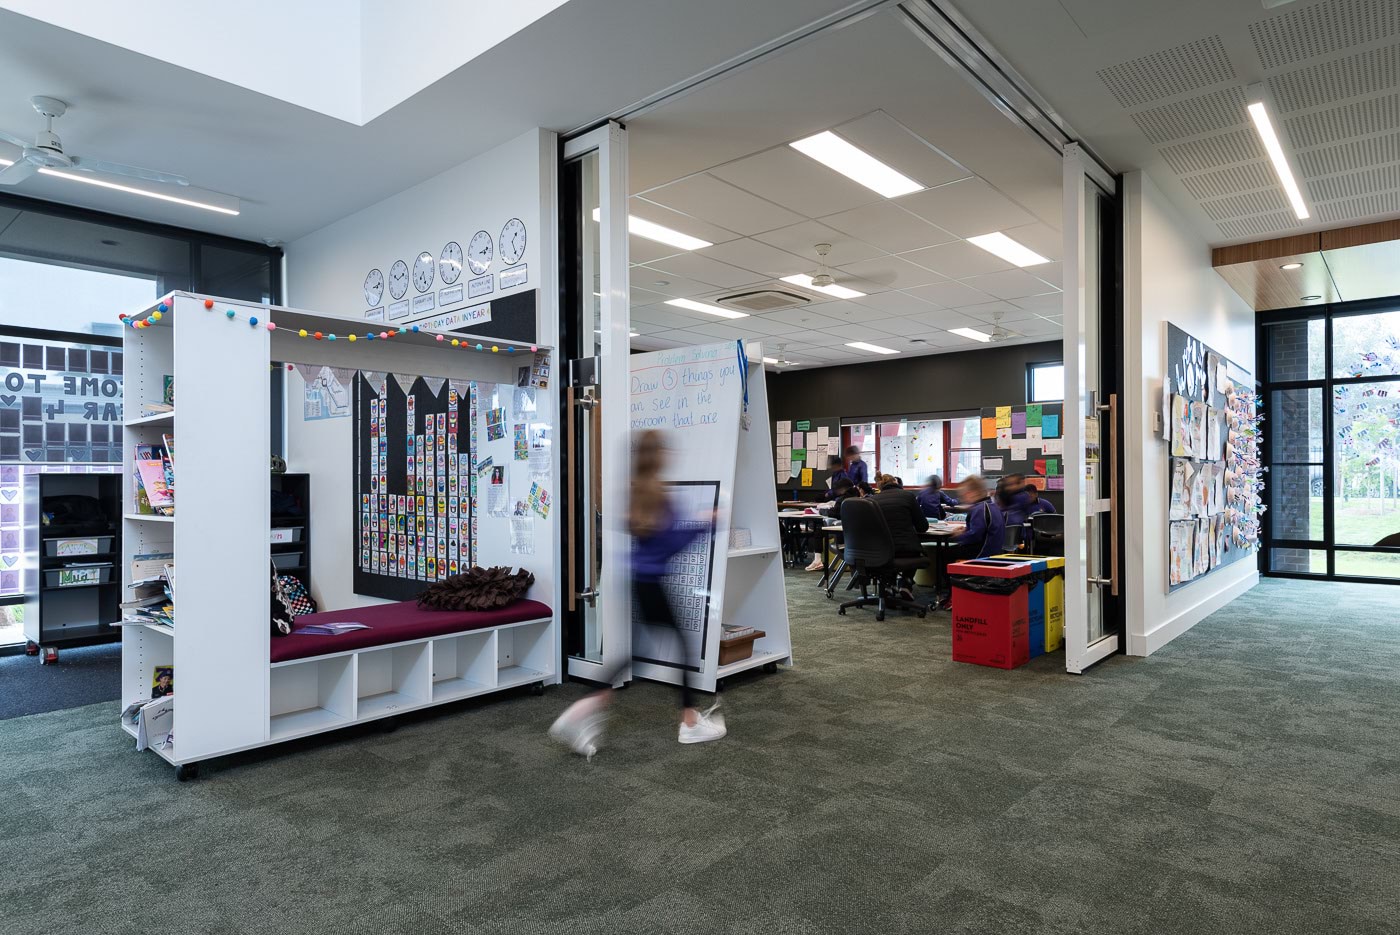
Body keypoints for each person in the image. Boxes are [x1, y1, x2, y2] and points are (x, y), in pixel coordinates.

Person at [549, 431, 726, 758]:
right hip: (652, 583)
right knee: (679, 650)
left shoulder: (638, 491)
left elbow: (655, 540)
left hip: (641, 581)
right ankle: (688, 723)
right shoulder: (657, 493)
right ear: (657, 454)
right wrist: (706, 523)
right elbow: (671, 544)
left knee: (638, 654)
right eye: (665, 448)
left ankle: (581, 712)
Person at [871, 475, 929, 598]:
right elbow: (922, 526)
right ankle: (906, 583)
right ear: (896, 482)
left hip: (879, 552)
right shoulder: (908, 496)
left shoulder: (872, 500)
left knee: (890, 556)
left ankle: (889, 585)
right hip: (906, 551)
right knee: (913, 550)